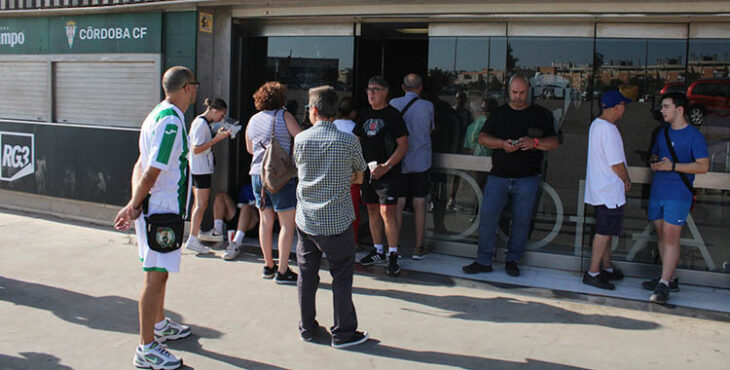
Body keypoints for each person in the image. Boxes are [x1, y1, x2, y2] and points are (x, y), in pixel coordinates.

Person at [114, 66, 198, 369]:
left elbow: (141, 163)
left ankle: (159, 324)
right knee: (155, 276)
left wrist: (135, 203)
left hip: (156, 209)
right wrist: (134, 204)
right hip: (161, 212)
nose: (197, 92)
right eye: (195, 86)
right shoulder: (172, 122)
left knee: (159, 273)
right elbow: (151, 170)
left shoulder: (157, 114)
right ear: (187, 88)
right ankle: (146, 347)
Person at [294, 85, 369, 349]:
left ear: (313, 110)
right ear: (335, 112)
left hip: (307, 220)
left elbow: (300, 170)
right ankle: (343, 333)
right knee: (341, 277)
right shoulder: (349, 141)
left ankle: (307, 327)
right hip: (337, 220)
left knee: (306, 275)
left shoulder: (300, 139)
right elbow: (360, 175)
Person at [462, 74, 559, 277]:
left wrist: (534, 143)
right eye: (514, 92)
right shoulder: (499, 114)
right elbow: (482, 138)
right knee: (488, 218)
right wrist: (501, 144)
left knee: (522, 220)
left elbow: (555, 142)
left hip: (528, 177)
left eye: (522, 92)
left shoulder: (541, 114)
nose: (518, 97)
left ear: (528, 91)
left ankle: (513, 260)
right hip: (498, 176)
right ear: (508, 91)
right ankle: (483, 260)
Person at [644, 92, 709, 304]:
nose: (661, 111)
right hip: (658, 189)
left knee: (671, 237)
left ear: (679, 109)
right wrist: (654, 162)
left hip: (679, 192)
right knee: (662, 235)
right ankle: (668, 277)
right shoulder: (662, 132)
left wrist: (672, 166)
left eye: (666, 107)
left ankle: (663, 283)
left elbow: (703, 166)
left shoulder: (694, 136)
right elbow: (655, 155)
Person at [245, 81, 302, 284]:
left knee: (265, 221)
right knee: (287, 224)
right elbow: (301, 138)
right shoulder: (284, 116)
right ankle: (283, 270)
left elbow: (250, 149)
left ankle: (268, 265)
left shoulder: (253, 120)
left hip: (257, 174)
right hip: (279, 175)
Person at [354, 76, 409, 276]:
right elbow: (357, 140)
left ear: (386, 92)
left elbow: (403, 145)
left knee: (388, 213)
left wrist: (386, 166)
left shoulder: (393, 115)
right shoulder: (364, 114)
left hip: (388, 174)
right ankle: (378, 250)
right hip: (368, 173)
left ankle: (393, 253)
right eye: (369, 89)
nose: (371, 93)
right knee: (371, 211)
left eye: (376, 89)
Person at [582, 90, 632, 290]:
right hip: (609, 191)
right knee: (604, 231)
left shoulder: (596, 125)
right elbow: (616, 163)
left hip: (600, 189)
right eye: (623, 105)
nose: (624, 109)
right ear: (616, 107)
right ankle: (593, 272)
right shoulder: (610, 130)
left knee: (607, 230)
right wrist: (626, 179)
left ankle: (606, 266)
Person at [390, 73, 434, 259]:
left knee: (398, 204)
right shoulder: (428, 106)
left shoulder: (393, 104)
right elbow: (431, 130)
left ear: (403, 87)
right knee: (420, 203)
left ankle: (395, 246)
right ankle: (418, 247)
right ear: (421, 87)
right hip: (421, 161)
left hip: (399, 160)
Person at [185, 97, 230, 254]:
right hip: (201, 168)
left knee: (199, 203)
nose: (221, 118)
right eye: (221, 115)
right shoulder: (201, 124)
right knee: (201, 204)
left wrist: (216, 137)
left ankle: (193, 236)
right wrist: (217, 139)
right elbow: (196, 148)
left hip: (199, 167)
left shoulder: (201, 122)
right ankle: (193, 237)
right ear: (214, 111)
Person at [333, 97, 362, 244]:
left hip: (331, 175)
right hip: (350, 175)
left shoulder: (331, 126)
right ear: (353, 112)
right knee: (352, 211)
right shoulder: (356, 129)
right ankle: (353, 241)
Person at [206, 183, 260, 260]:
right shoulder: (247, 187)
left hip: (254, 222)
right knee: (221, 196)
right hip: (239, 218)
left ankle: (236, 244)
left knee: (246, 207)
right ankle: (217, 231)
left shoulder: (266, 188)